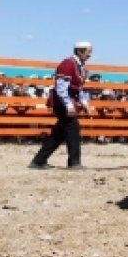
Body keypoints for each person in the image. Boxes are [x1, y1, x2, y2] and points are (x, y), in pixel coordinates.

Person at [29, 41, 93, 169]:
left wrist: (85, 102)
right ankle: (74, 162)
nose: (90, 55)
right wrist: (68, 104)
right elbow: (61, 87)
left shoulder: (81, 67)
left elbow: (78, 88)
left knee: (60, 133)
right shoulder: (67, 64)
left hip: (69, 101)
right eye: (88, 51)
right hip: (62, 102)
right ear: (79, 51)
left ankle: (39, 161)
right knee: (73, 128)